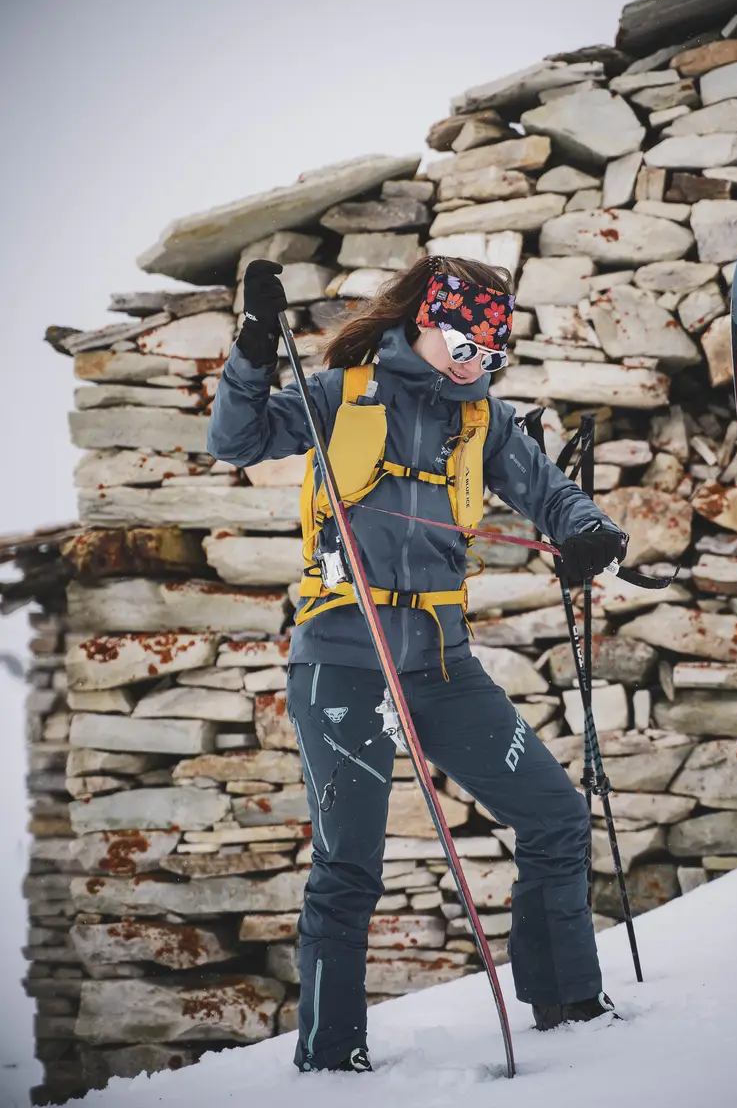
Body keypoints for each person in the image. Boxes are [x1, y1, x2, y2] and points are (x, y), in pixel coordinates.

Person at [206, 254, 628, 1074]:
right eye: (469, 343)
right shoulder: (341, 394)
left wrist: (587, 530)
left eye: (492, 352)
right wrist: (256, 347)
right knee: (350, 865)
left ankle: (570, 1007)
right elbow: (236, 439)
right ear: (428, 322)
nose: (479, 362)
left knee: (556, 816)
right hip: (343, 660)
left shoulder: (485, 422)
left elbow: (549, 494)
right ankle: (331, 1061)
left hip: (442, 662)